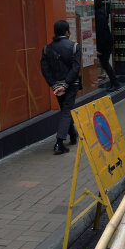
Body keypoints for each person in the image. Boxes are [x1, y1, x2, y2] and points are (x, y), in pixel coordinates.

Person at [40, 20, 81, 155]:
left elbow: (45, 69)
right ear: (66, 32)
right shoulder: (74, 46)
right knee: (66, 111)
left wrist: (54, 84)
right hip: (71, 84)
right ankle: (59, 142)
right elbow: (75, 68)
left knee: (65, 110)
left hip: (57, 86)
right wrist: (66, 84)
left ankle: (73, 135)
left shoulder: (47, 49)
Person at [94, 0, 120, 91]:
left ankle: (115, 83)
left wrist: (99, 49)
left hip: (104, 44)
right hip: (107, 43)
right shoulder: (102, 13)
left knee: (105, 63)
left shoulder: (98, 16)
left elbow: (101, 34)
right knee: (105, 63)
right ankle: (115, 83)